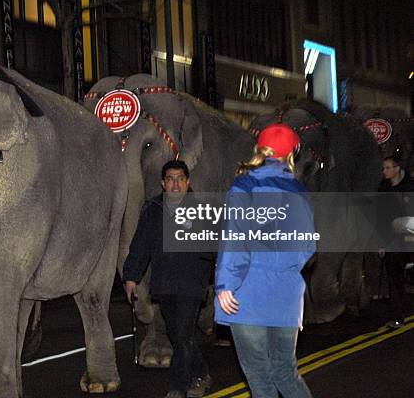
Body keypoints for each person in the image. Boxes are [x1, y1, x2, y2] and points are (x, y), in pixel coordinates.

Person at [215, 123, 315, 398]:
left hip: (248, 294)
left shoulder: (245, 185)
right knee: (285, 371)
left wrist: (226, 284)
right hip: (286, 296)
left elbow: (236, 238)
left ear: (260, 149)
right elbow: (308, 246)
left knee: (259, 377)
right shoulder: (299, 191)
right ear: (290, 153)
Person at [123, 160, 214, 398]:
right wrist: (131, 277)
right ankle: (202, 372)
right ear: (163, 183)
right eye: (170, 179)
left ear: (188, 182)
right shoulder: (152, 209)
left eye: (180, 178)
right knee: (177, 335)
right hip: (165, 283)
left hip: (192, 283)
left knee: (183, 334)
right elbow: (140, 245)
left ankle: (178, 387)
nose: (175, 184)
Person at [377, 156, 414, 328]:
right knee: (394, 278)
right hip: (391, 239)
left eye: (388, 167)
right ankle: (398, 316)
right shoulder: (383, 188)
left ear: (397, 168)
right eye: (384, 168)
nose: (385, 171)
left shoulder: (408, 187)